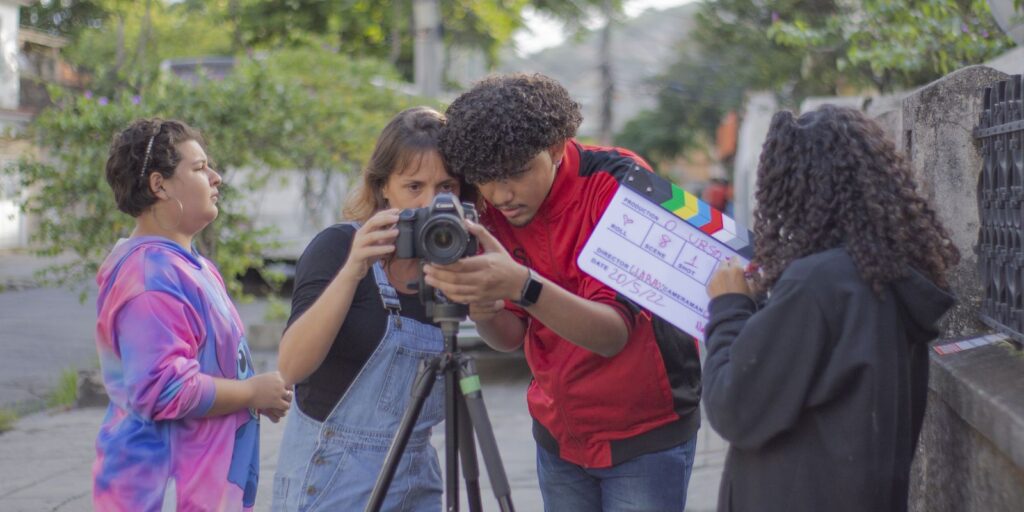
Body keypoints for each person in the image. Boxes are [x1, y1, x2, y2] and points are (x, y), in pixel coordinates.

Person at [426, 73, 701, 512]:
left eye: (516, 173)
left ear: (556, 149)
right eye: (485, 179)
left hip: (644, 434)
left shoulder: (618, 182)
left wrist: (520, 283)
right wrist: (483, 304)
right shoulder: (489, 205)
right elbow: (510, 336)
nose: (501, 195)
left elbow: (612, 333)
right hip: (558, 433)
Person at [702, 105, 959, 511]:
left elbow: (734, 406)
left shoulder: (817, 284)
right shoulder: (884, 275)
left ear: (791, 188)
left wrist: (730, 306)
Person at [272, 107, 476, 511]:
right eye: (413, 186)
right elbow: (291, 369)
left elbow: (507, 338)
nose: (429, 203)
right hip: (331, 477)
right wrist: (353, 271)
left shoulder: (454, 257)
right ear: (384, 187)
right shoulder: (337, 247)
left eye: (445, 187)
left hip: (416, 475)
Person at [93, 118, 292, 511]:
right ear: (159, 184)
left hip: (200, 485)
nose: (216, 178)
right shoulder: (150, 276)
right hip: (163, 491)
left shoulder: (188, 264)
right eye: (200, 168)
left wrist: (249, 397)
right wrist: (251, 392)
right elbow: (162, 388)